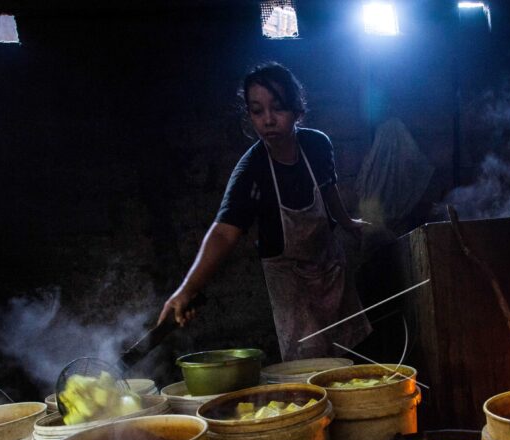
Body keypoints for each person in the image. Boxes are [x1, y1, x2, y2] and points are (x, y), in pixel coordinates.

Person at [158, 62, 372, 361]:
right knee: (310, 363)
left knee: (349, 353)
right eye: (257, 111)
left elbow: (328, 189)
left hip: (328, 264)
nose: (268, 120)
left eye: (278, 108)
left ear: (297, 110)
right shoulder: (252, 170)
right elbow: (223, 233)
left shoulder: (317, 145)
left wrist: (347, 223)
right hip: (289, 280)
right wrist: (187, 289)